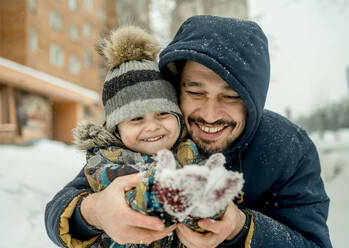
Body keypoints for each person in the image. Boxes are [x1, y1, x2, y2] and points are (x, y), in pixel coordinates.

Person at [45, 15, 332, 248]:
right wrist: (96, 212)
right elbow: (61, 207)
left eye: (231, 96)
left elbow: (313, 243)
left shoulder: (288, 148)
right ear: (175, 89)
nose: (209, 114)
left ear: (253, 98)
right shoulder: (158, 137)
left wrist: (240, 228)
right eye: (195, 91)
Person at [72, 25, 243, 248]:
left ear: (179, 118)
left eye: (163, 114)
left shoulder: (190, 150)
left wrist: (212, 204)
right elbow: (134, 200)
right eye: (136, 119)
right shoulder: (106, 161)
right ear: (117, 130)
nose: (152, 127)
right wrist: (170, 193)